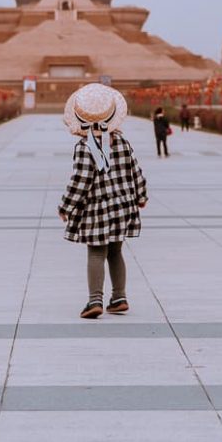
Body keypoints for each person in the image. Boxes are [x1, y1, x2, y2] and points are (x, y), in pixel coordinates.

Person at [59, 83, 148, 319]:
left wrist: (66, 206)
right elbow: (135, 171)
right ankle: (119, 297)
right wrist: (141, 195)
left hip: (97, 207)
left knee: (97, 252)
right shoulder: (121, 143)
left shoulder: (84, 147)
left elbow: (81, 180)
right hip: (122, 206)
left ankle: (94, 300)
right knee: (116, 251)